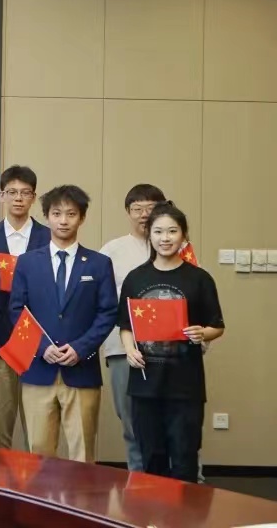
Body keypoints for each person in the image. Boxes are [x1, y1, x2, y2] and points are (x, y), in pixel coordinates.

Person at [8, 185, 116, 463]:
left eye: (71, 214)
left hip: (81, 372)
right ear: (47, 217)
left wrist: (81, 348)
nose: (64, 220)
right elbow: (17, 311)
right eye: (57, 214)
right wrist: (42, 347)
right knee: (38, 454)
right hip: (38, 370)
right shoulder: (27, 263)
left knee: (83, 453)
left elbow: (107, 313)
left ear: (82, 218)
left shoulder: (99, 263)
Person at [118, 202, 224, 482]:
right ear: (149, 235)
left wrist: (203, 333)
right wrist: (128, 349)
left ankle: (184, 510)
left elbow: (217, 326)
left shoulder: (199, 279)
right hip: (145, 384)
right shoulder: (136, 278)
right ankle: (154, 511)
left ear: (183, 235)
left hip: (185, 386)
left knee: (184, 458)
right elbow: (125, 325)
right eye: (158, 231)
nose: (165, 238)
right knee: (151, 459)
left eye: (172, 231)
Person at [0, 165, 50, 449]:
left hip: (40, 342)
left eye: (25, 193)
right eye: (12, 192)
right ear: (1, 196)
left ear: (34, 197)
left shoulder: (49, 238)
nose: (18, 198)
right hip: (0, 343)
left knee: (40, 429)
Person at [99, 184, 166, 472]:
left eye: (151, 208)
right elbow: (99, 300)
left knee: (172, 417)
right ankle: (138, 477)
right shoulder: (111, 251)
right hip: (121, 347)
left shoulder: (177, 248)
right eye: (137, 209)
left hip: (168, 348)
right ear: (128, 212)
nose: (144, 214)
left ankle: (180, 482)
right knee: (129, 417)